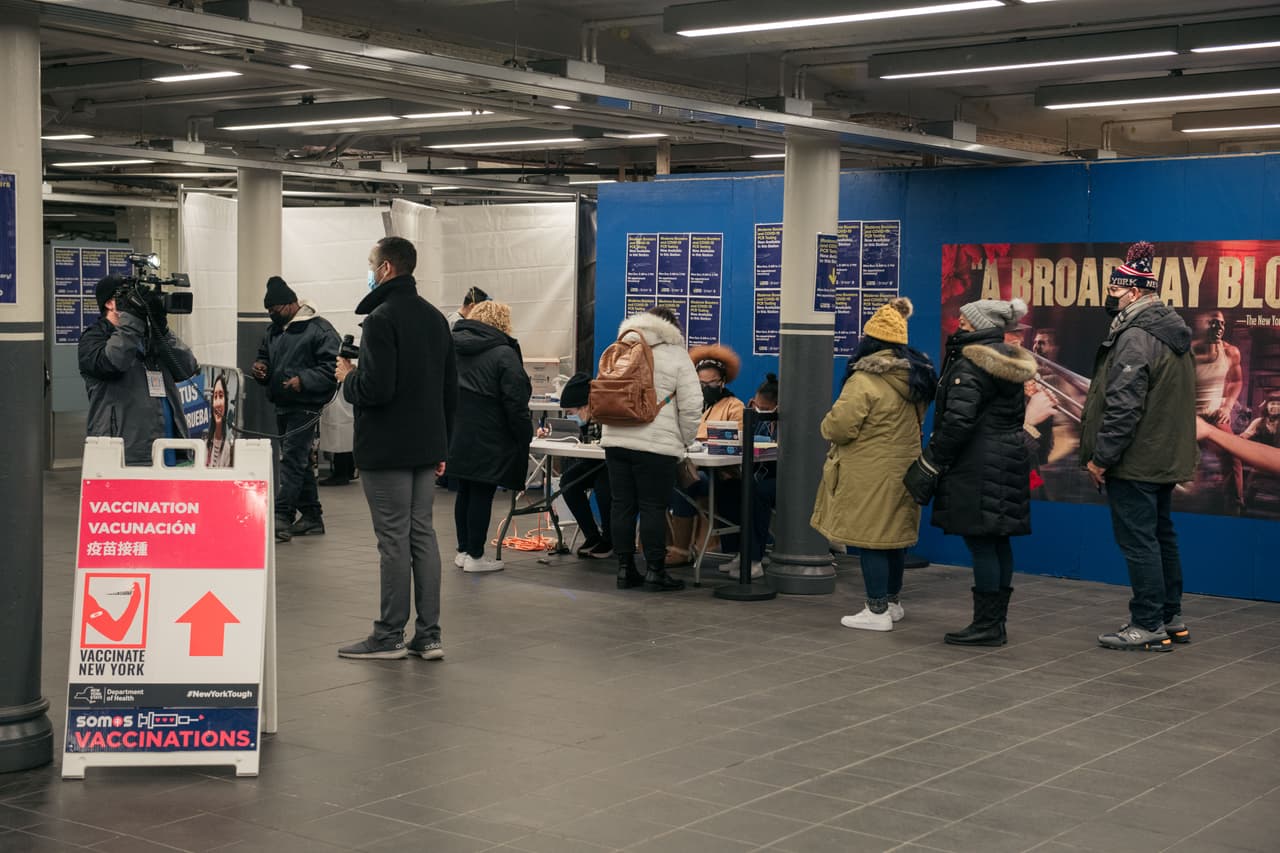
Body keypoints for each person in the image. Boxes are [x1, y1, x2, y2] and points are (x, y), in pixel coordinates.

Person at [335, 236, 457, 661]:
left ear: (386, 269)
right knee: (422, 534)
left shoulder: (381, 319)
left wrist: (348, 377)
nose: (369, 273)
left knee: (393, 539)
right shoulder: (435, 319)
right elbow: (448, 390)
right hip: (426, 445)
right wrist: (442, 443)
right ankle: (429, 635)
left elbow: (376, 388)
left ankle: (388, 635)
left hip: (386, 448)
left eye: (371, 265)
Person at [1080, 241, 1198, 651]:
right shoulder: (1171, 332)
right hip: (1162, 456)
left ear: (1132, 293)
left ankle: (1147, 624)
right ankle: (1171, 618)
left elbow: (1124, 406)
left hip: (1135, 460)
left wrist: (1101, 458)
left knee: (1140, 541)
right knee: (1162, 537)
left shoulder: (1135, 336)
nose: (1109, 298)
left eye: (1114, 291)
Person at [905, 297, 1037, 646]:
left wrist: (932, 461)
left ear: (977, 326)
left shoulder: (971, 365)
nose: (958, 324)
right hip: (1005, 457)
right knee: (997, 540)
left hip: (978, 463)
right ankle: (995, 623)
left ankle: (987, 625)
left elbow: (958, 423)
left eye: (964, 321)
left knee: (981, 542)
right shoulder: (1006, 361)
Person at [815, 298, 937, 631]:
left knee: (870, 538)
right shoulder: (917, 379)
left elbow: (839, 427)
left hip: (870, 470)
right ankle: (893, 602)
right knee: (894, 537)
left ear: (870, 341)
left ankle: (876, 609)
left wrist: (826, 424)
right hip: (905, 467)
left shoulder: (864, 380)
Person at [600, 307, 702, 591]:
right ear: (673, 328)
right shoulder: (675, 354)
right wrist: (684, 440)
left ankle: (624, 569)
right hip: (656, 446)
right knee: (653, 507)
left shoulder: (620, 349)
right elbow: (692, 406)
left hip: (615, 441)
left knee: (622, 505)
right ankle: (655, 571)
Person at [252, 276, 340, 542]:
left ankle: (282, 516)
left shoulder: (320, 329)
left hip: (306, 406)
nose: (271, 315)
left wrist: (303, 381)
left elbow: (333, 367)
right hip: (283, 404)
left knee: (291, 459)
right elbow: (265, 356)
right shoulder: (274, 330)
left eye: (274, 309)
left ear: (292, 304)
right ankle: (312, 517)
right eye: (268, 311)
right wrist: (261, 369)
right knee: (298, 460)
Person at [448, 300, 533, 574]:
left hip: (455, 431)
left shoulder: (452, 347)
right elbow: (516, 401)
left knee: (464, 491)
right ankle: (476, 555)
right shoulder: (503, 354)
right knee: (482, 492)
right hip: (489, 433)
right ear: (502, 322)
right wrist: (524, 434)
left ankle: (463, 550)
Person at [79, 274, 199, 466]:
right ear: (110, 303)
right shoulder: (93, 338)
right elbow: (113, 363)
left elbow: (186, 368)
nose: (138, 303)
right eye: (130, 297)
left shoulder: (149, 336)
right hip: (125, 452)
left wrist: (162, 328)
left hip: (169, 447)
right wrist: (132, 319)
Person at [667, 344, 745, 567]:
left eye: (711, 383)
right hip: (689, 464)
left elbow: (735, 441)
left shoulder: (734, 405)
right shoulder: (689, 405)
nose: (706, 387)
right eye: (701, 383)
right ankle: (666, 544)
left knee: (687, 483)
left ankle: (681, 549)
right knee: (658, 483)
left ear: (722, 382)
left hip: (720, 474)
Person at [536, 372, 613, 559]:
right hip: (592, 464)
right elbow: (570, 435)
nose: (571, 417)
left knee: (605, 487)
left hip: (611, 466)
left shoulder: (607, 414)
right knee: (568, 482)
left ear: (585, 406)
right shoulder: (585, 420)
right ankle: (592, 536)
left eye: (571, 413)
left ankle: (610, 539)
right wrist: (549, 433)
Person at [718, 373, 782, 578]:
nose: (758, 411)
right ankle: (738, 551)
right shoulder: (752, 419)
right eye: (755, 406)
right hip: (757, 475)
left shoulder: (788, 426)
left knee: (756, 491)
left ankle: (754, 560)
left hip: (783, 480)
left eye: (764, 409)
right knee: (729, 487)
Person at [1192, 309, 1245, 514]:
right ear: (1200, 324)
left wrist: (1227, 406)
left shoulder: (1231, 352)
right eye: (1213, 323)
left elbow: (1237, 380)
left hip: (1215, 415)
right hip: (1190, 418)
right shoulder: (1187, 353)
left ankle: (1236, 506)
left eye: (1221, 324)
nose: (1218, 327)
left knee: (1234, 456)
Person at [206, 372, 234, 468]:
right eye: (215, 396)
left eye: (221, 396)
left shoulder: (229, 447)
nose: (217, 402)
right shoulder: (204, 444)